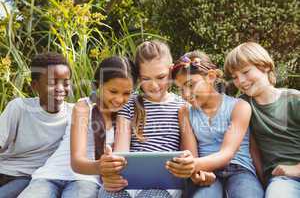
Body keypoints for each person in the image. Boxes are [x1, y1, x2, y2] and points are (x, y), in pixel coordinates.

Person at [99, 40, 195, 198]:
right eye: (146, 78)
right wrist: (112, 174)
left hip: (166, 184)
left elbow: (190, 155)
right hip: (129, 181)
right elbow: (121, 151)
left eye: (160, 77)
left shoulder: (182, 107)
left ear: (171, 71)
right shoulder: (130, 103)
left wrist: (185, 164)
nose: (154, 85)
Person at [169, 50, 264, 198]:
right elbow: (191, 154)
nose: (186, 94)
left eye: (190, 84)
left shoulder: (239, 107)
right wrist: (198, 174)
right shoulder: (185, 112)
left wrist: (192, 165)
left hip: (239, 169)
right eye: (181, 89)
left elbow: (227, 153)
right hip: (205, 172)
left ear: (211, 77)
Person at [224, 42, 300, 198]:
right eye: (235, 77)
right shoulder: (243, 106)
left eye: (245, 72)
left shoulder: (294, 100)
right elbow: (253, 149)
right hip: (283, 181)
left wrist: (297, 169)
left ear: (264, 66)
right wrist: (263, 179)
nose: (241, 81)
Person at [0, 52, 72, 198]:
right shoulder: (19, 107)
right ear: (35, 86)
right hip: (4, 172)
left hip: (28, 178)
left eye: (66, 83)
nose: (60, 88)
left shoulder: (74, 113)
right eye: (52, 83)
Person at [70, 56, 136, 198]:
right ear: (98, 85)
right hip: (58, 174)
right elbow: (76, 161)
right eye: (113, 91)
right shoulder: (84, 107)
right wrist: (102, 166)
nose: (119, 99)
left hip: (89, 181)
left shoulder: (124, 117)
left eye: (126, 93)